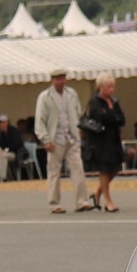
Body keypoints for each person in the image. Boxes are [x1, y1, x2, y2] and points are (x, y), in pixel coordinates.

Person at [34, 68, 91, 214]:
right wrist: (45, 139)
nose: (60, 81)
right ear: (52, 80)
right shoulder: (45, 97)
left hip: (71, 137)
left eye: (62, 78)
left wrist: (79, 130)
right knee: (54, 171)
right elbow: (39, 121)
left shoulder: (71, 94)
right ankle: (54, 203)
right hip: (55, 139)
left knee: (77, 167)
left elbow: (78, 113)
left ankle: (82, 201)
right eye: (57, 78)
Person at [82, 74, 125, 212]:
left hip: (114, 140)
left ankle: (97, 194)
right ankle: (108, 201)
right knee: (104, 170)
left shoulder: (114, 100)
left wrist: (111, 116)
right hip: (100, 141)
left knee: (116, 168)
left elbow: (122, 119)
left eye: (113, 87)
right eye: (108, 87)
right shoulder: (94, 101)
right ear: (100, 87)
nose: (112, 90)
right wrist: (113, 116)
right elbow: (102, 117)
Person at [0, 115, 28, 180]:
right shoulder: (2, 133)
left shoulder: (14, 131)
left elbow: (17, 144)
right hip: (7, 152)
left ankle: (2, 178)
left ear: (7, 123)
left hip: (17, 153)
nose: (0, 124)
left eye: (2, 122)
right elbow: (1, 145)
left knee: (3, 155)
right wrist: (0, 150)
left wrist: (6, 150)